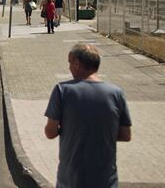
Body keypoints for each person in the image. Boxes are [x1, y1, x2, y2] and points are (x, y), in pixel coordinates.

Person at [44, 44, 132, 187]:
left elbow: (50, 132)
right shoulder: (116, 93)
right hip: (106, 180)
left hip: (71, 179)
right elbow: (126, 135)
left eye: (70, 63)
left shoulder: (62, 90)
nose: (69, 67)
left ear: (77, 63)